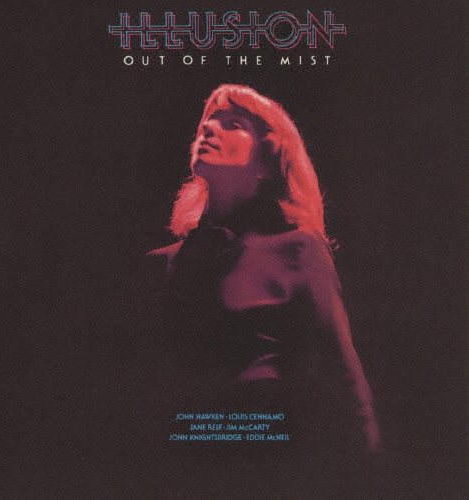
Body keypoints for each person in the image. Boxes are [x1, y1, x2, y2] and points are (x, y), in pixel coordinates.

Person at [143, 84, 381, 497]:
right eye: (207, 122)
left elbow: (343, 378)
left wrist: (371, 478)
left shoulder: (297, 251)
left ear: (269, 162)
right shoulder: (159, 264)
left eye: (233, 124)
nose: (209, 129)